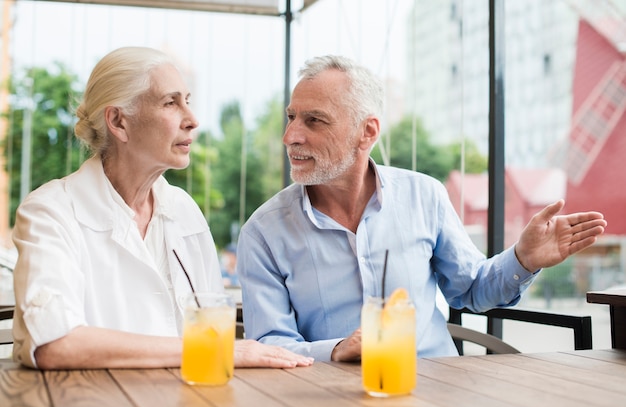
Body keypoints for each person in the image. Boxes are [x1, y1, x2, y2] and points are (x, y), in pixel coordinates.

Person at [236, 55, 607, 362]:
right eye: (291, 117)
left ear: (367, 132)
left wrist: (523, 259)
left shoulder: (424, 196)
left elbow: (471, 290)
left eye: (313, 120)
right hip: (327, 398)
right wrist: (335, 350)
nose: (290, 136)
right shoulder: (263, 232)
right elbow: (269, 344)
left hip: (435, 389)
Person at [11, 46, 313, 370]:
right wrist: (216, 350)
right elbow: (54, 344)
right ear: (118, 121)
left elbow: (210, 319)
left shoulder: (184, 210)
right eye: (170, 102)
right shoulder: (51, 212)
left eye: (188, 100)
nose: (193, 120)